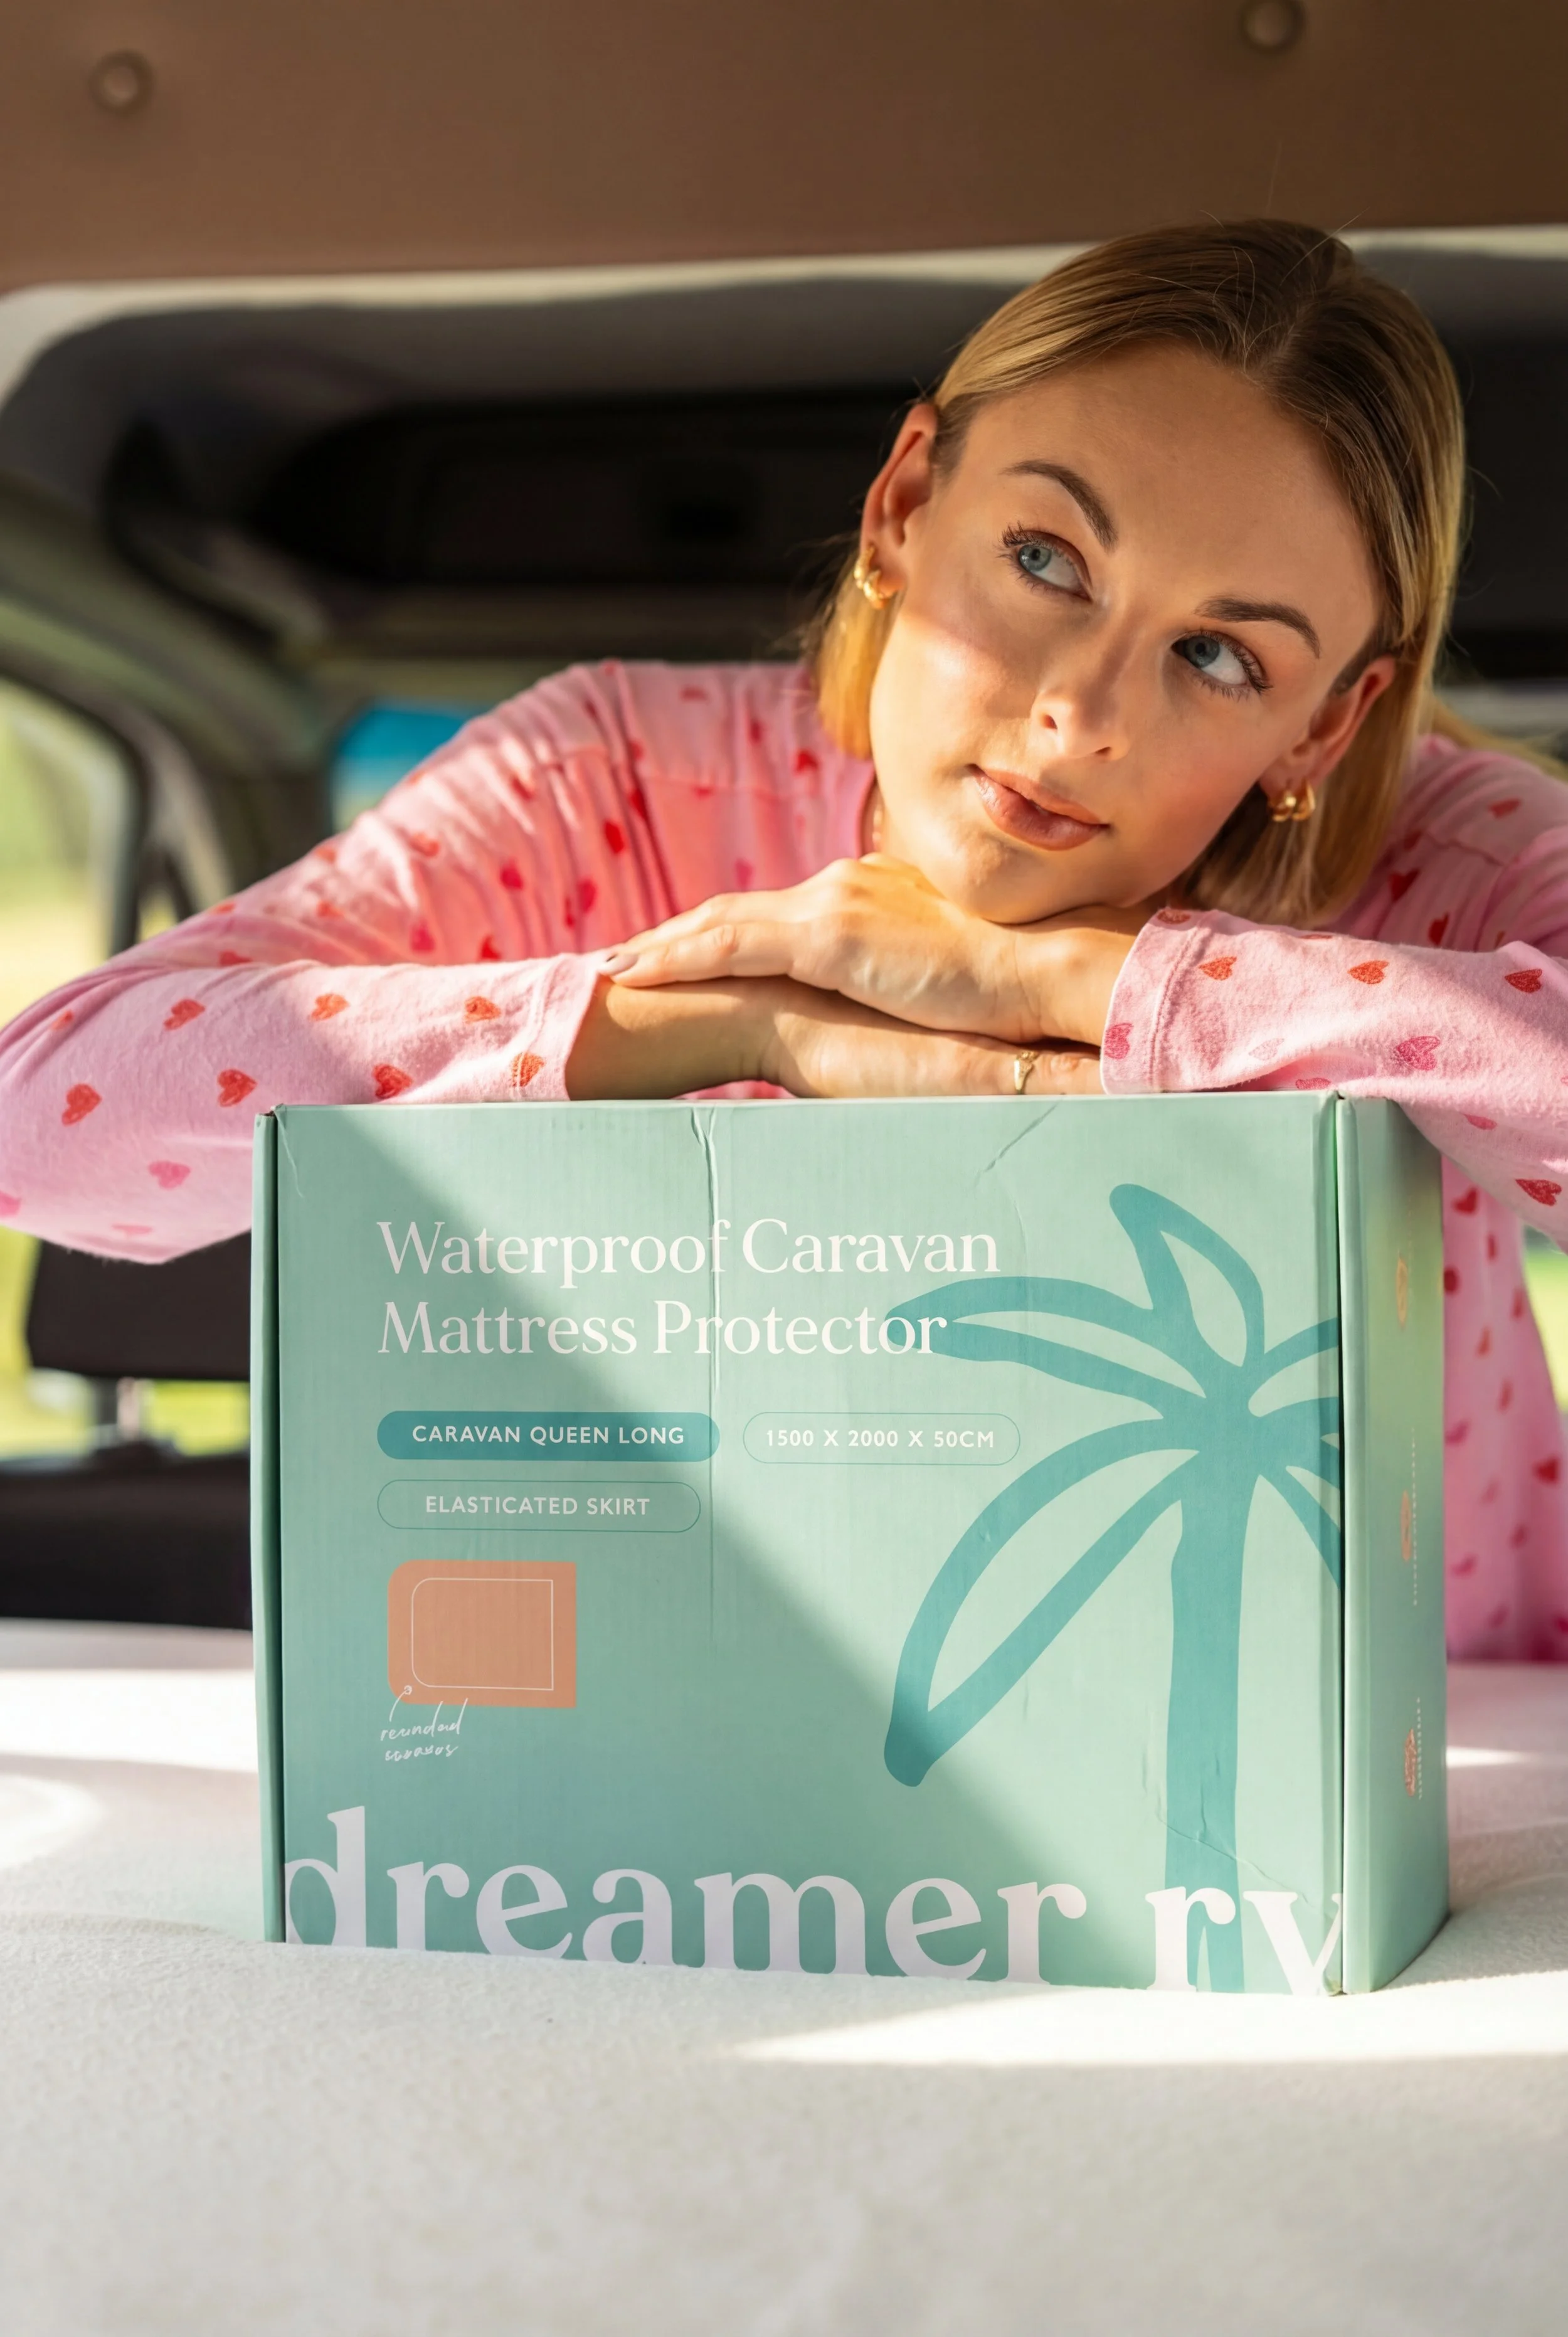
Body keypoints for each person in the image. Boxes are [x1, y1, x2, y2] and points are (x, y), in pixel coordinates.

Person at [1, 220, 1565, 1656]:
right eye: (1043, 560)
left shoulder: (1445, 864)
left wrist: (1087, 985)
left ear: (1324, 723)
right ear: (903, 507)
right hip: (743, 1744)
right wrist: (720, 1009)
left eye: (1217, 657)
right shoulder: (610, 779)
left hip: (1429, 1766)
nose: (1075, 713)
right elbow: (43, 1122)